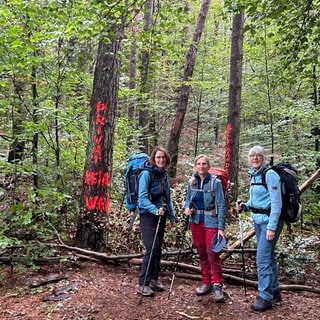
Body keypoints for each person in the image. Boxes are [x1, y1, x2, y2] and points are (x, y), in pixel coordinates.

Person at [236, 145, 283, 312]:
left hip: (270, 223)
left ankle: (265, 297)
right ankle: (274, 290)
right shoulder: (254, 175)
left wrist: (271, 227)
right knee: (269, 257)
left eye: (258, 155)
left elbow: (276, 204)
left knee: (262, 259)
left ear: (263, 158)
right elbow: (258, 201)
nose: (255, 158)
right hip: (258, 221)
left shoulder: (270, 175)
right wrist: (245, 206)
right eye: (252, 155)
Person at [184, 154, 226, 303]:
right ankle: (206, 282)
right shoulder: (192, 182)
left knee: (212, 253)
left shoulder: (216, 183)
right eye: (199, 164)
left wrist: (221, 227)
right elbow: (188, 200)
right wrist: (187, 208)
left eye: (204, 164)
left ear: (208, 166)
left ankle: (217, 284)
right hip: (196, 221)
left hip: (212, 221)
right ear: (195, 166)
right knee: (201, 252)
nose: (201, 166)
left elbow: (221, 205)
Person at [137, 146, 176, 296]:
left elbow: (167, 197)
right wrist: (154, 209)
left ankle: (154, 278)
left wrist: (171, 215)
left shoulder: (163, 174)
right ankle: (143, 283)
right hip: (148, 215)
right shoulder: (146, 174)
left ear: (166, 160)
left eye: (163, 157)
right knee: (152, 247)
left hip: (161, 214)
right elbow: (142, 198)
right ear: (154, 158)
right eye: (158, 157)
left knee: (158, 248)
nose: (161, 160)